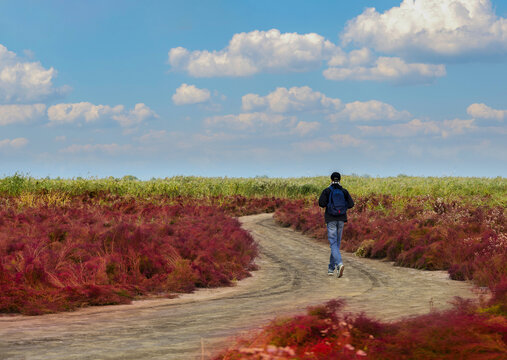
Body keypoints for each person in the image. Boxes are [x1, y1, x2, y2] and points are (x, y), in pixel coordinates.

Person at [318, 172, 354, 278]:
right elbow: (351, 204)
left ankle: (339, 263)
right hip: (341, 219)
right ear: (340, 179)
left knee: (333, 244)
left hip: (331, 219)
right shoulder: (344, 191)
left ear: (331, 179)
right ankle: (330, 269)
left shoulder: (327, 191)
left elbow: (321, 203)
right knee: (336, 244)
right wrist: (342, 208)